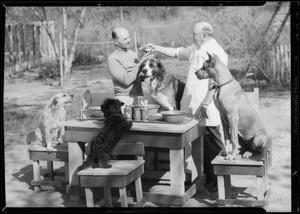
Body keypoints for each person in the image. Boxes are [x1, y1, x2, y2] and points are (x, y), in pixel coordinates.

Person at [144, 22, 228, 192]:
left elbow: (217, 82)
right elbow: (177, 52)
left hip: (207, 106)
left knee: (214, 145)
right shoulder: (196, 48)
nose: (192, 36)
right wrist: (156, 47)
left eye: (194, 33)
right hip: (193, 106)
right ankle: (209, 181)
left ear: (204, 35)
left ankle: (222, 184)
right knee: (201, 145)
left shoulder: (216, 52)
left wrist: (205, 103)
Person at [107, 27, 153, 112]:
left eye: (129, 37)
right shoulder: (112, 59)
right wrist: (140, 64)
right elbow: (126, 80)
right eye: (125, 39)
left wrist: (148, 66)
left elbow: (137, 76)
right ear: (116, 42)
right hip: (125, 100)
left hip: (139, 97)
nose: (129, 40)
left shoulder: (133, 54)